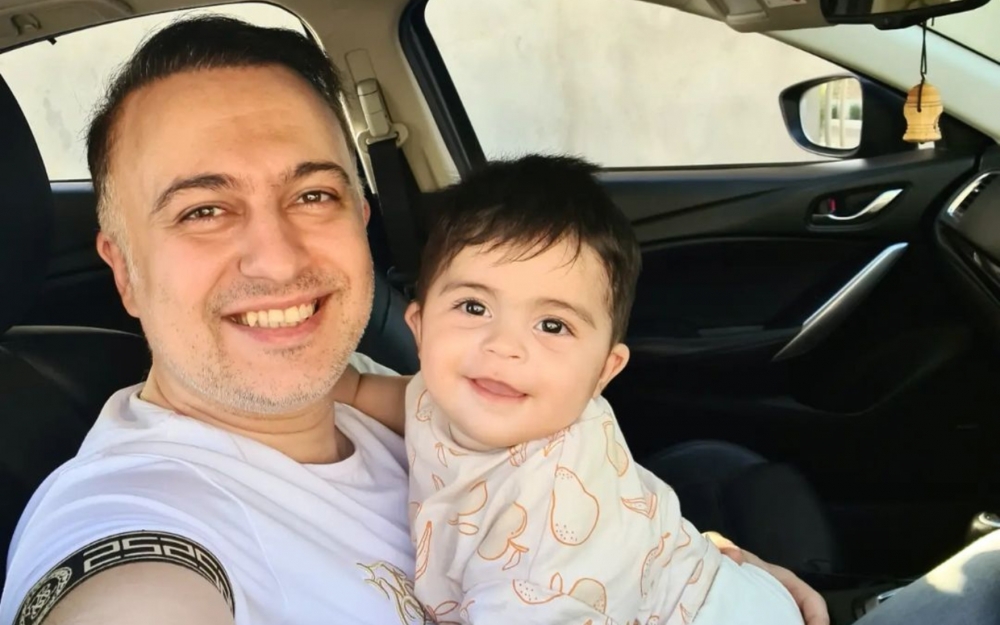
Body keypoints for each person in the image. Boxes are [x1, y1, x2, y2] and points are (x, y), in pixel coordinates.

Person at [0, 16, 828, 625]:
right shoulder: (133, 521)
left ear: (361, 217)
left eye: (312, 194)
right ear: (124, 268)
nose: (277, 258)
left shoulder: (387, 387)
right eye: (204, 210)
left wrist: (700, 573)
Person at [333, 154, 805, 624]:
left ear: (603, 371)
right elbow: (410, 401)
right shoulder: (445, 392)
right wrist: (351, 388)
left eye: (552, 325)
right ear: (419, 327)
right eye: (474, 307)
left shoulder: (546, 536)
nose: (504, 346)